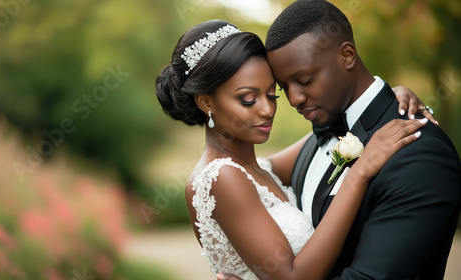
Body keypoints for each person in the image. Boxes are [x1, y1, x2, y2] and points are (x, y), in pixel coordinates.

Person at [155, 18, 439, 280]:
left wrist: (389, 99)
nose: (268, 110)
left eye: (271, 94)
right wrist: (359, 173)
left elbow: (344, 131)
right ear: (205, 102)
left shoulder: (260, 169)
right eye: (248, 99)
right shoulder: (221, 178)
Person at [217, 1, 461, 280]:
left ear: (347, 55)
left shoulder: (419, 154)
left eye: (305, 79)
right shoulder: (313, 142)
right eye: (284, 88)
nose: (294, 99)